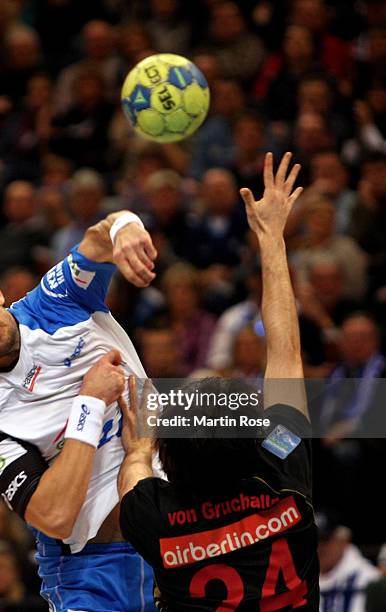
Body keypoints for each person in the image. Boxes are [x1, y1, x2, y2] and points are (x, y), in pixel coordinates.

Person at [0, 210, 158, 611]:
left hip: (178, 533)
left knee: (269, 414)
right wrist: (89, 405)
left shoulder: (55, 300)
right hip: (93, 569)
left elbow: (99, 236)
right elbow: (53, 515)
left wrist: (125, 226)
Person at [118, 153, 320, 609]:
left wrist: (140, 447)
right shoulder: (283, 475)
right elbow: (286, 358)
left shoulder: (154, 515)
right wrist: (271, 238)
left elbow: (134, 467)